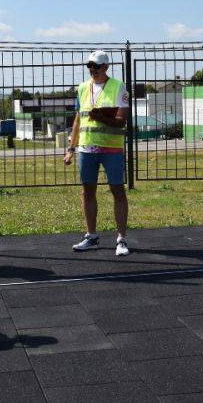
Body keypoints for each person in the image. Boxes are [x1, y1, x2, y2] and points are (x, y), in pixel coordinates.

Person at [64, 50, 131, 256]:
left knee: (117, 190)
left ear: (106, 67)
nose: (92, 70)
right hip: (87, 148)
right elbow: (78, 119)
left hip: (112, 148)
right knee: (87, 191)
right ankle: (91, 235)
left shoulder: (119, 87)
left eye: (96, 66)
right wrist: (70, 148)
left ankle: (121, 239)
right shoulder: (83, 88)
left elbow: (122, 120)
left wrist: (100, 117)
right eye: (89, 66)